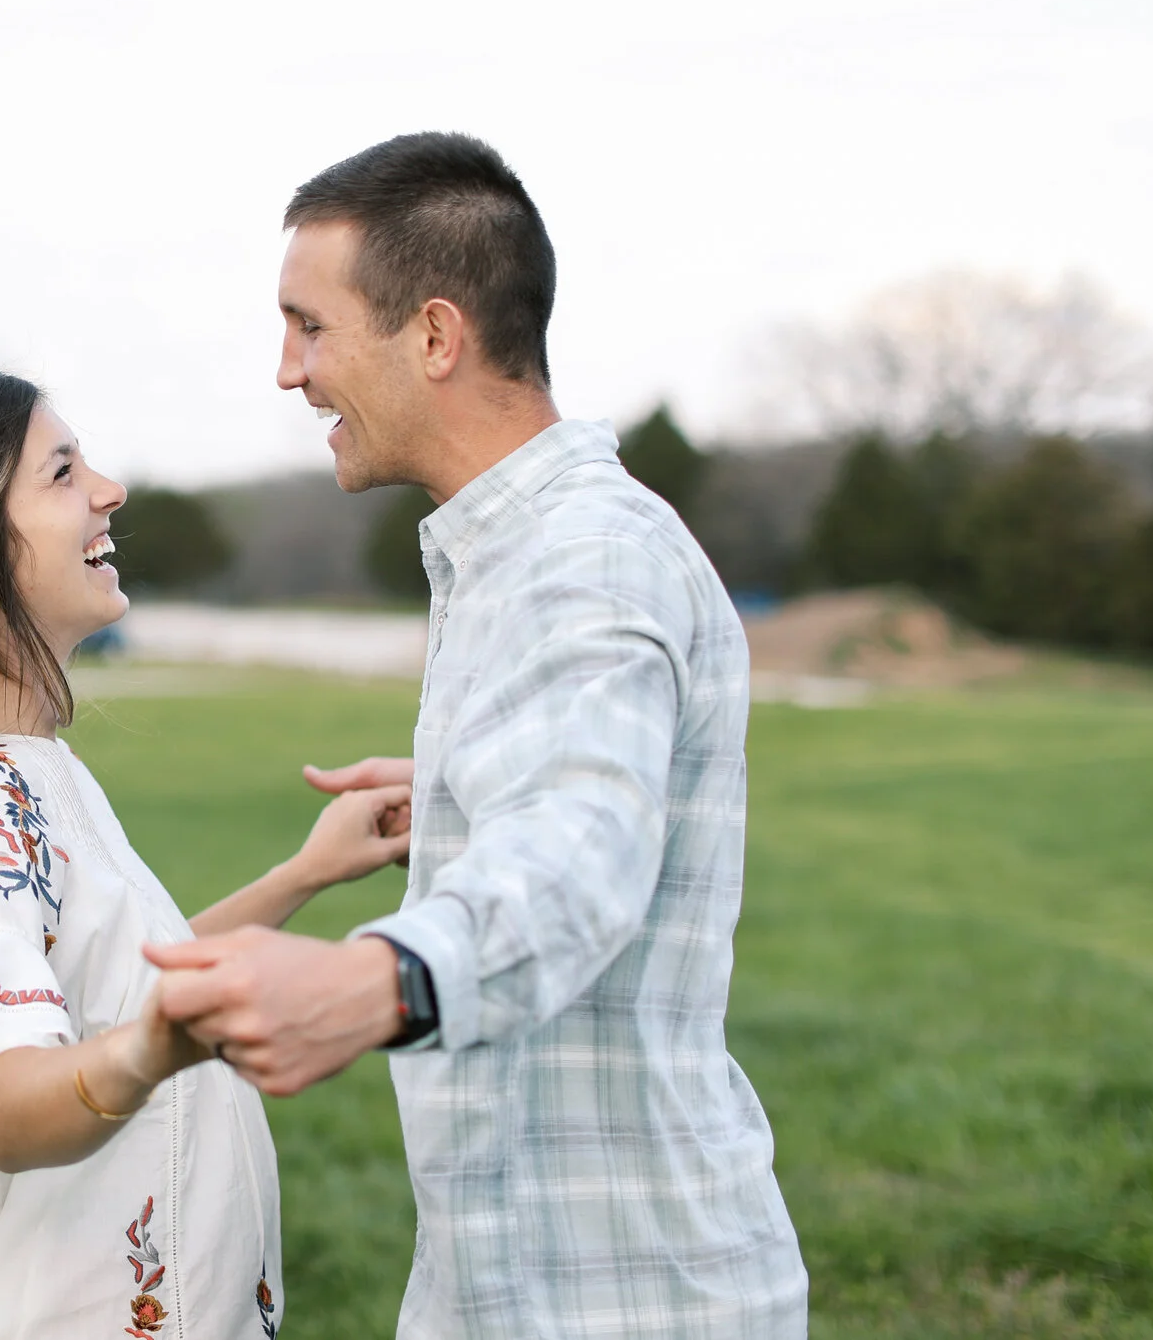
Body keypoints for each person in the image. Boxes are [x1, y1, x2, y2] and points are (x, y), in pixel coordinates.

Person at [148, 133, 811, 1339]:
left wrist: (374, 977)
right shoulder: (510, 552)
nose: (287, 372)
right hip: (500, 1282)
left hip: (624, 1295)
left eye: (310, 326)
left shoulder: (586, 557)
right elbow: (569, 792)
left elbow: (581, 851)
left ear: (436, 337)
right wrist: (461, 801)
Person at [0, 370, 412, 1340]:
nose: (109, 488)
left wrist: (305, 873)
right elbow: (4, 1102)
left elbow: (110, 994)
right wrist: (158, 1045)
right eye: (62, 470)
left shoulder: (33, 772)